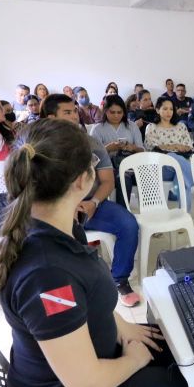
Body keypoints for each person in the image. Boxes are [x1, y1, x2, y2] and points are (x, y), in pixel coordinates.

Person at [0, 119, 189, 387]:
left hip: (75, 379)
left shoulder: (57, 226)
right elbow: (84, 382)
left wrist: (124, 328)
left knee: (180, 348)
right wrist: (133, 359)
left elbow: (91, 299)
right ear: (82, 181)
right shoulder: (47, 274)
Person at [40, 94, 142, 307]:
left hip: (90, 205)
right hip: (54, 209)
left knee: (128, 224)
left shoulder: (91, 143)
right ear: (51, 117)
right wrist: (65, 206)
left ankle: (120, 279)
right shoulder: (40, 147)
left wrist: (94, 202)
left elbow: (107, 181)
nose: (74, 116)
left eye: (75, 111)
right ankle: (68, 291)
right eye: (67, 112)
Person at [145, 98, 194, 212]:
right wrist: (175, 146)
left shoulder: (180, 126)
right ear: (157, 110)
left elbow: (189, 148)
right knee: (171, 156)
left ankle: (185, 215)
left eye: (171, 109)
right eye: (165, 109)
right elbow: (154, 149)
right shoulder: (152, 127)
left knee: (182, 177)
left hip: (180, 167)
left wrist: (167, 147)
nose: (169, 112)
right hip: (160, 168)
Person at [90, 95, 145, 205]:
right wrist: (107, 149)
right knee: (124, 178)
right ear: (105, 111)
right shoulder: (98, 129)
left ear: (124, 112)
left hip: (131, 165)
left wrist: (132, 147)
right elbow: (92, 158)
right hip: (108, 169)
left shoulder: (132, 126)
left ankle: (150, 208)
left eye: (119, 112)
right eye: (112, 112)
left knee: (147, 176)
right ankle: (122, 211)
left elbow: (142, 151)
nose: (116, 115)